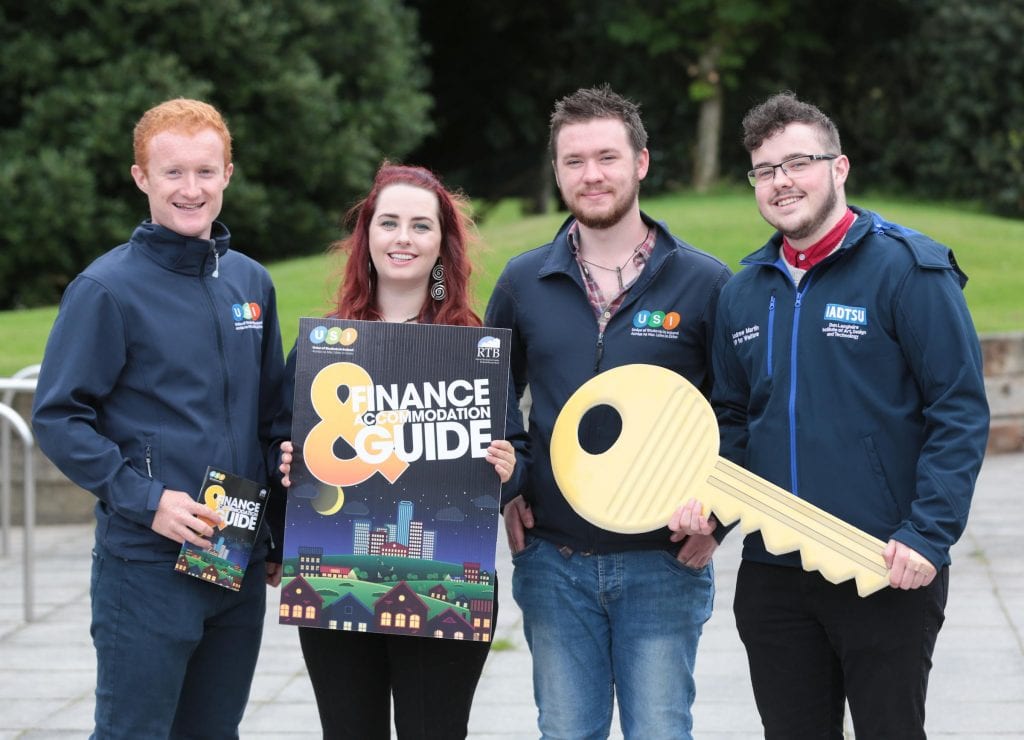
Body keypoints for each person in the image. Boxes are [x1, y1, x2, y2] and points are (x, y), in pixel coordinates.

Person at [687, 91, 989, 738]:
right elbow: (733, 418)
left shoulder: (909, 271)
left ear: (840, 167)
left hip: (882, 564)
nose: (781, 181)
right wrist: (711, 506)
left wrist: (928, 533)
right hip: (773, 574)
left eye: (798, 162)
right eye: (765, 170)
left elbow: (958, 410)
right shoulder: (743, 293)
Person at [31, 98, 288, 738]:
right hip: (147, 565)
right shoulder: (106, 289)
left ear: (228, 172)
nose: (191, 189)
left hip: (234, 557)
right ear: (141, 177)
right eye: (172, 173)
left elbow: (273, 419)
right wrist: (148, 501)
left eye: (206, 171)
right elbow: (59, 416)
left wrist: (277, 536)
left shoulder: (252, 284)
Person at [485, 85, 732, 740]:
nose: (591, 175)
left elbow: (740, 412)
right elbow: (490, 398)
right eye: (573, 161)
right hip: (553, 563)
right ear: (558, 170)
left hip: (663, 563)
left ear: (641, 162)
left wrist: (720, 517)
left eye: (606, 157)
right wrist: (510, 487)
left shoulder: (704, 283)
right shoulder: (522, 281)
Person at [277, 162, 523, 740]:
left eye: (420, 225)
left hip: (448, 582)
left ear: (443, 244)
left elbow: (520, 458)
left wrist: (511, 469)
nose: (403, 238)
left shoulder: (475, 346)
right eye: (388, 223)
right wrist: (284, 461)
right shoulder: (325, 342)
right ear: (367, 239)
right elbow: (278, 440)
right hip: (339, 578)